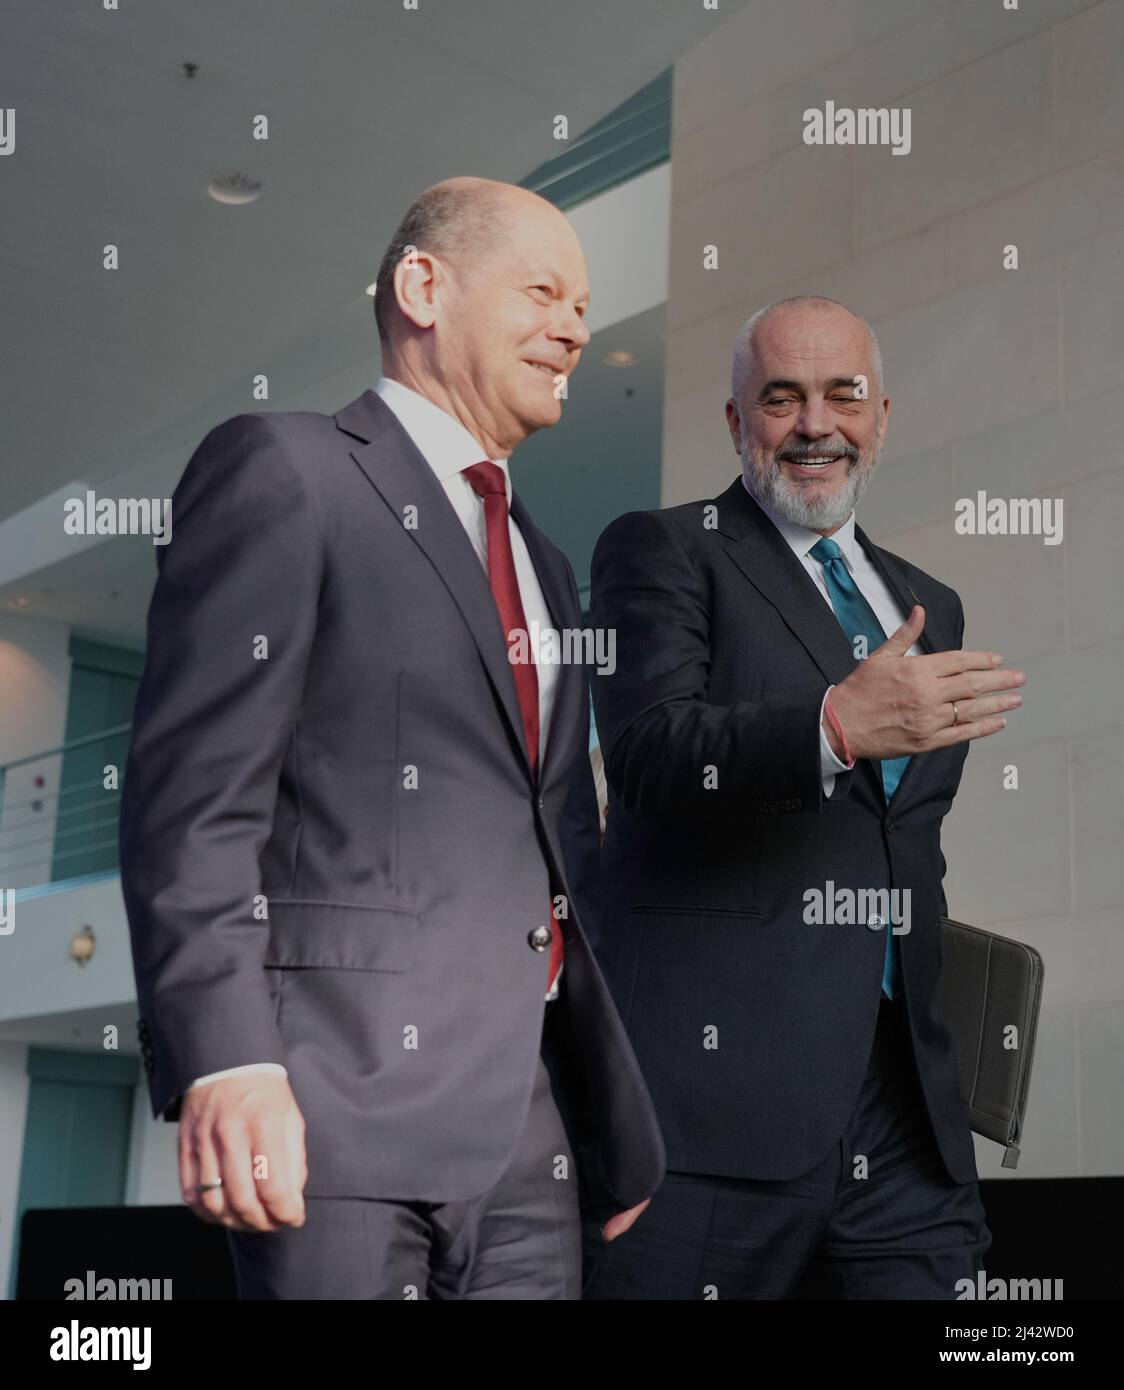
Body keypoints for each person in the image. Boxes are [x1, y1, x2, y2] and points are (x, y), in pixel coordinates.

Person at [120, 176, 663, 1300]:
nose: (575, 325)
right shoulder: (284, 468)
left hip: (531, 1140)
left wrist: (606, 1102)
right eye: (543, 291)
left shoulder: (549, 567)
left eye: (585, 302)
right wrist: (225, 1052)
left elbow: (561, 844)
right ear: (423, 286)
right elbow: (194, 799)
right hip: (336, 1107)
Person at [584, 295, 1025, 1300]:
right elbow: (650, 754)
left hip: (901, 1114)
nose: (814, 424)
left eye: (842, 395)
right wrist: (831, 727)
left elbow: (899, 839)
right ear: (736, 423)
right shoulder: (663, 549)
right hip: (705, 1117)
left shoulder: (927, 602)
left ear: (880, 417)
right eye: (780, 399)